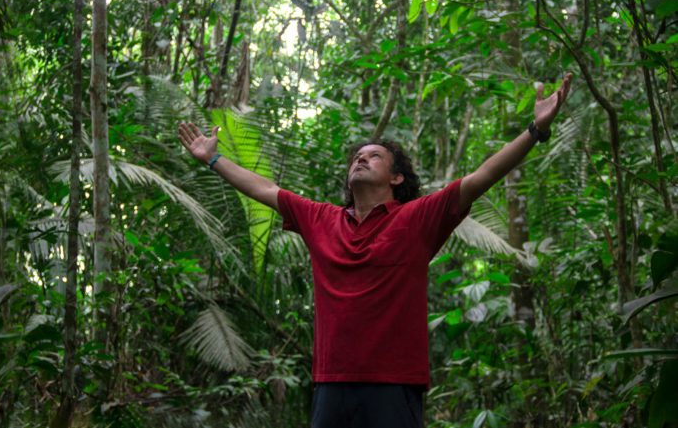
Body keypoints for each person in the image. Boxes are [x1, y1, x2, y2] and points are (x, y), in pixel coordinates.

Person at [177, 74, 572, 428]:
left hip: (394, 384)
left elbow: (482, 176)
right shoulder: (320, 219)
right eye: (357, 157)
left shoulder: (418, 218)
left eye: (374, 156)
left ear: (396, 177)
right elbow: (263, 189)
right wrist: (213, 158)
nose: (361, 159)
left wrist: (535, 130)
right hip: (332, 383)